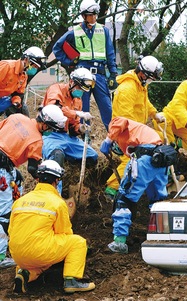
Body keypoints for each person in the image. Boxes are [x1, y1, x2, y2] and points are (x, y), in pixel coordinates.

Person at [8, 160, 95, 294]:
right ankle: (71, 281)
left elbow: (11, 230)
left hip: (17, 255)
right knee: (77, 242)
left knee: (39, 262)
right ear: (57, 180)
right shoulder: (57, 203)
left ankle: (24, 274)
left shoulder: (20, 201)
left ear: (38, 179)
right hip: (40, 251)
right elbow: (65, 232)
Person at [0, 105, 67, 269]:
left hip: (6, 164)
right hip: (2, 169)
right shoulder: (37, 140)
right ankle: (1, 255)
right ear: (44, 124)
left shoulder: (17, 118)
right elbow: (32, 168)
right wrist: (47, 183)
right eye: (50, 129)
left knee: (18, 186)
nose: (49, 132)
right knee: (5, 213)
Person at [100, 117, 176, 254]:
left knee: (124, 200)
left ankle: (119, 242)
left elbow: (120, 122)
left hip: (144, 159)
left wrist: (108, 140)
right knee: (158, 201)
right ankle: (161, 236)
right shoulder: (141, 131)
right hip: (160, 161)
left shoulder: (120, 123)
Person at [104, 55, 164, 200]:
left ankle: (145, 180)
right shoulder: (127, 89)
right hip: (125, 131)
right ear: (143, 73)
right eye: (151, 77)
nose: (152, 80)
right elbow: (125, 119)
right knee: (131, 159)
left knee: (158, 142)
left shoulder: (141, 86)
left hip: (136, 131)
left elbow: (145, 103)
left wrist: (155, 114)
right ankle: (111, 189)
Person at [53, 0, 118, 130]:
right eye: (90, 15)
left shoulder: (103, 30)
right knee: (82, 110)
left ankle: (114, 141)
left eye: (95, 14)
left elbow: (110, 53)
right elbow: (57, 48)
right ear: (83, 15)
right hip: (82, 75)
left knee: (108, 110)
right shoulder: (74, 31)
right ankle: (83, 140)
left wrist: (113, 74)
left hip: (99, 75)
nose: (94, 17)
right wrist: (69, 62)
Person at [41, 68, 98, 194]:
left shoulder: (78, 100)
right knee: (57, 156)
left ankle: (79, 183)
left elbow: (73, 128)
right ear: (72, 82)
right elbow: (54, 109)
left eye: (83, 90)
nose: (80, 92)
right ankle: (56, 194)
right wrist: (76, 113)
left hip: (65, 136)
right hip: (49, 134)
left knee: (92, 156)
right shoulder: (56, 90)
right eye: (79, 88)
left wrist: (80, 129)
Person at [0, 46, 47, 116]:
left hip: (2, 99)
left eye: (37, 68)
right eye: (34, 66)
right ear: (26, 60)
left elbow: (18, 94)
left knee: (22, 109)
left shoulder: (24, 76)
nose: (35, 69)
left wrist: (16, 103)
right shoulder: (6, 66)